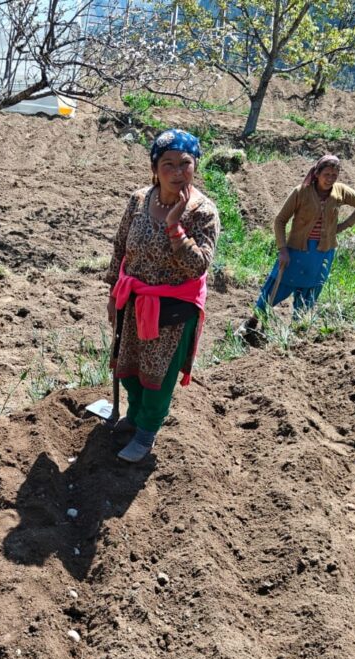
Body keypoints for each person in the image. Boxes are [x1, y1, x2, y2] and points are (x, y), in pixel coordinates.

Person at [105, 128, 220, 463]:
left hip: (171, 309)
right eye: (167, 163)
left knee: (158, 376)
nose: (177, 171)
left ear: (196, 165)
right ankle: (133, 417)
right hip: (134, 299)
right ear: (154, 167)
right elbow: (120, 247)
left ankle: (146, 433)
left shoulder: (203, 212)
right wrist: (114, 293)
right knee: (130, 368)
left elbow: (197, 266)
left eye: (185, 163)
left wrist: (174, 225)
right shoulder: (139, 200)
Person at [240, 155, 355, 336]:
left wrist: (342, 226)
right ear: (316, 173)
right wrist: (283, 250)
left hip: (322, 253)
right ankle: (253, 322)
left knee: (310, 289)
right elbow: (280, 221)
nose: (330, 178)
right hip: (296, 251)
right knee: (278, 284)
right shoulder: (301, 192)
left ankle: (295, 331)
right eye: (326, 174)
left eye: (334, 174)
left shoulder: (340, 191)